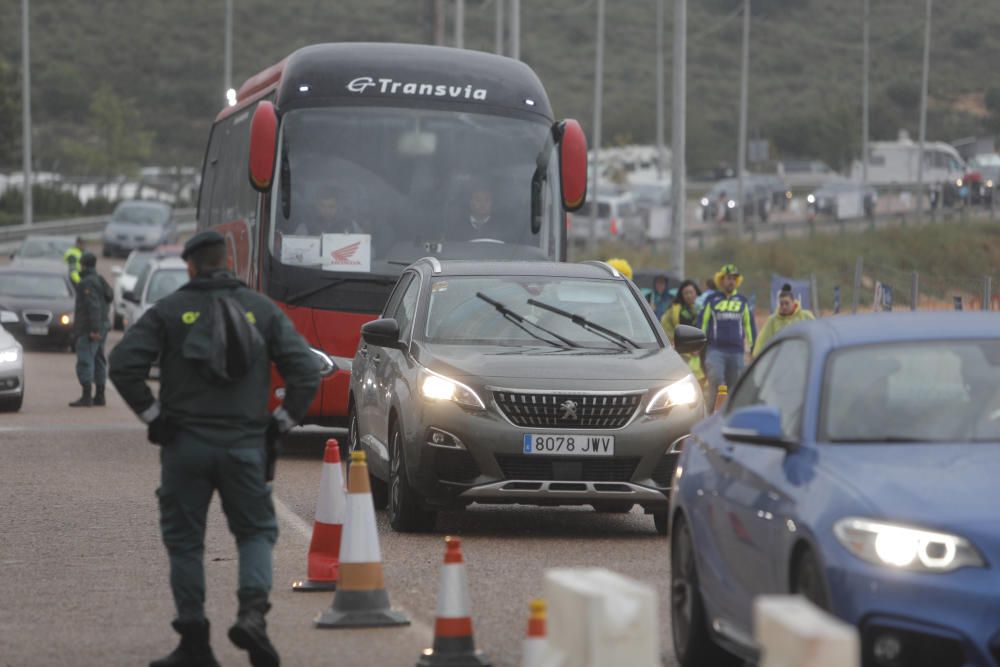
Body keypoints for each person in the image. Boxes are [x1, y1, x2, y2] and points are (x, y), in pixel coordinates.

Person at [109, 230, 321, 667]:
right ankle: (252, 616)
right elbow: (306, 372)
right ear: (228, 263)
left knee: (186, 543)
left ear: (189, 265)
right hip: (246, 446)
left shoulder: (169, 311)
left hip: (184, 446)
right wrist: (278, 426)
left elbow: (123, 364)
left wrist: (154, 418)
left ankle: (194, 642)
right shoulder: (262, 310)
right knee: (256, 533)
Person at [700, 263, 756, 403]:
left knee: (735, 387)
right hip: (715, 350)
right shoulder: (712, 300)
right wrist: (698, 343)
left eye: (734, 278)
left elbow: (749, 324)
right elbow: (703, 322)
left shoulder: (743, 301)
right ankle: (710, 414)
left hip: (737, 351)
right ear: (721, 280)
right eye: (728, 278)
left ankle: (730, 417)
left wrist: (753, 346)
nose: (731, 281)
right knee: (716, 380)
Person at [69, 252, 113, 407]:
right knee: (99, 359)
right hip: (103, 325)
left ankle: (86, 396)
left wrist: (94, 330)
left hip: (90, 328)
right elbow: (109, 297)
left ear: (84, 264)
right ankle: (100, 395)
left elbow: (93, 306)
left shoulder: (87, 283)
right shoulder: (99, 280)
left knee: (85, 361)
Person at [661, 279, 706, 389]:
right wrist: (672, 340)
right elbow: (665, 325)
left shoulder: (704, 308)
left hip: (703, 352)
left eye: (691, 292)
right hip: (683, 353)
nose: (689, 296)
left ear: (696, 293)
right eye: (686, 293)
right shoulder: (675, 310)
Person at [752, 283, 815, 356]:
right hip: (781, 357)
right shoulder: (773, 320)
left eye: (787, 303)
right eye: (781, 304)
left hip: (802, 356)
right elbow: (762, 340)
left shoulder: (805, 315)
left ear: (793, 302)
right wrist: (756, 356)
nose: (784, 306)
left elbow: (817, 333)